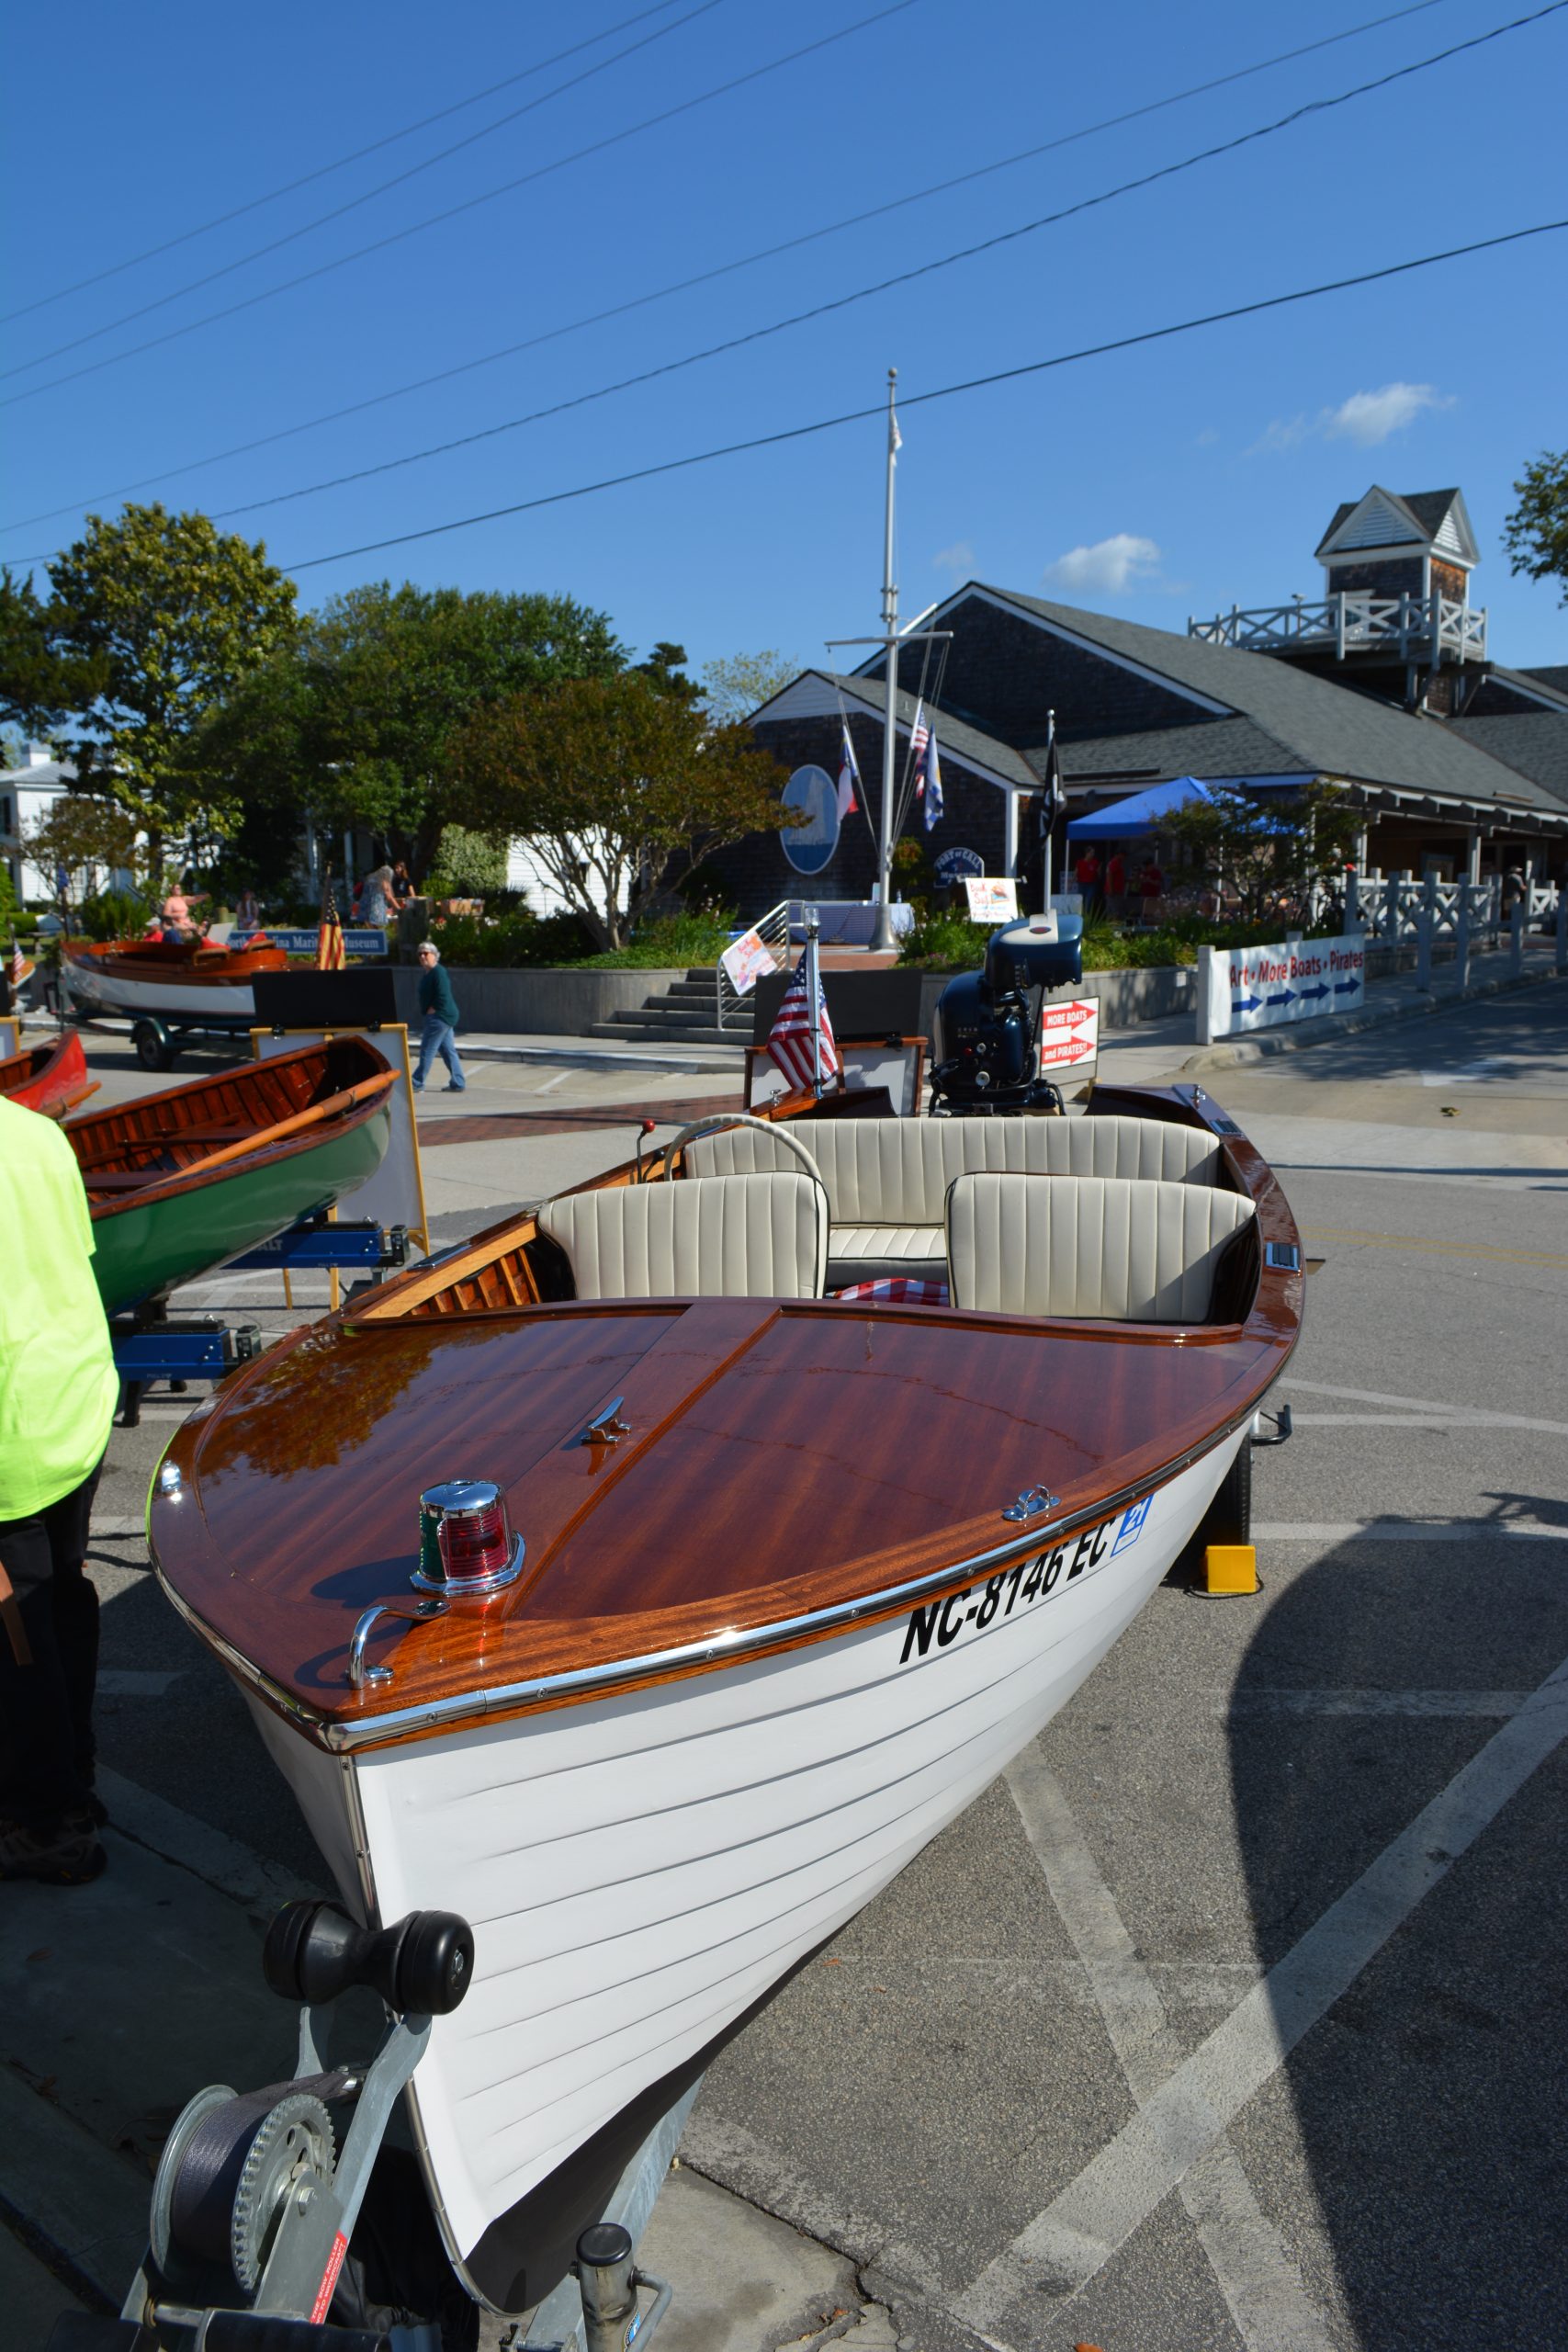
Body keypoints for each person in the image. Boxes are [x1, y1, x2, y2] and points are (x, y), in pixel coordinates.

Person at [0, 1095, 120, 1883]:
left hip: (10, 1437)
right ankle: (75, 1780)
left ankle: (46, 1824)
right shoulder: (36, 1132)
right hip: (72, 1403)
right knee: (64, 1599)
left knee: (14, 1642)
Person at [413, 941, 466, 1092]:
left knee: (427, 1049)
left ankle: (416, 1082)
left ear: (435, 955)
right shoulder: (428, 973)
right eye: (420, 954)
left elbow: (443, 994)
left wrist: (433, 1009)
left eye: (426, 953)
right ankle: (458, 1082)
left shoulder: (438, 972)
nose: (422, 956)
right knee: (448, 1051)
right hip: (443, 1016)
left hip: (440, 1017)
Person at [360, 865, 395, 929]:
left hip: (366, 906)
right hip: (376, 908)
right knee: (379, 929)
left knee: (371, 930)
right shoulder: (383, 881)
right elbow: (389, 896)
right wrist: (398, 908)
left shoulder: (371, 877)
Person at [1073, 846, 1101, 913]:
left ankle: (1086, 915)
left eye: (1093, 853)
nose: (1093, 854)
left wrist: (1099, 871)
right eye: (1091, 853)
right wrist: (1072, 881)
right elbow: (1076, 872)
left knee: (1088, 901)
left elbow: (1099, 874)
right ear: (1087, 853)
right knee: (1081, 901)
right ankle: (1081, 914)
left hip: (1091, 885)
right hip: (1081, 884)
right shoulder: (1080, 862)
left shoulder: (1095, 862)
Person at [1137, 855, 1166, 923]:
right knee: (1144, 914)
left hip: (1153, 896)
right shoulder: (1143, 873)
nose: (1146, 867)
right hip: (1144, 896)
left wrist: (1150, 880)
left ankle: (1150, 925)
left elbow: (1158, 883)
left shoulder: (1156, 872)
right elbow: (1139, 883)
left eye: (1148, 865)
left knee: (1151, 913)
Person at [1104, 843, 1127, 922]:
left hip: (1117, 892)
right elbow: (1109, 875)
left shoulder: (1117, 863)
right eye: (1123, 855)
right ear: (1119, 854)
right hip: (1114, 893)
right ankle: (1114, 931)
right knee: (1115, 912)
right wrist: (1111, 889)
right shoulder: (1115, 862)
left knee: (1112, 912)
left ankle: (1111, 930)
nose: (1124, 857)